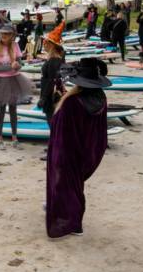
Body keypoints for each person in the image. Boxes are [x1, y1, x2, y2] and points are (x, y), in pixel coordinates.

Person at [46, 58, 111, 238]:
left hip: (67, 151)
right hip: (88, 151)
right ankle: (76, 223)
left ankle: (68, 224)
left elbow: (60, 131)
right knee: (76, 187)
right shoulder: (101, 98)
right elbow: (100, 132)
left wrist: (57, 157)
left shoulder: (72, 103)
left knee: (63, 187)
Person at [0, 23, 34, 149]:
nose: (4, 35)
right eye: (2, 33)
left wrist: (18, 66)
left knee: (13, 109)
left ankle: (14, 138)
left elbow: (20, 63)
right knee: (1, 109)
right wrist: (11, 66)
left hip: (14, 79)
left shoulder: (15, 45)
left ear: (12, 35)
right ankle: (0, 139)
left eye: (7, 33)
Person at [38, 22, 66, 123]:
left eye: (46, 42)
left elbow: (51, 80)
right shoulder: (57, 59)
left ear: (51, 45)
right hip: (52, 92)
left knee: (53, 122)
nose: (44, 44)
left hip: (51, 96)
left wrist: (43, 98)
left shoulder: (53, 61)